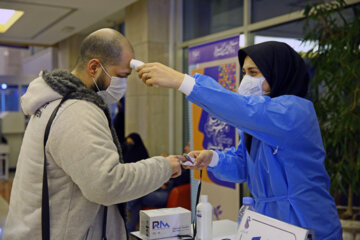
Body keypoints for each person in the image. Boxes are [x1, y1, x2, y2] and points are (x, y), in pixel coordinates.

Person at [137, 41, 342, 239]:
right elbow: (243, 166)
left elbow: (242, 110)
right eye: (245, 73)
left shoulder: (295, 111)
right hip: (269, 223)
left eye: (254, 73)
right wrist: (213, 159)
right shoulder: (259, 122)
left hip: (305, 222)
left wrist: (182, 81)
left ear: (278, 73)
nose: (246, 80)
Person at [5, 28, 182, 240]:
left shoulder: (56, 102)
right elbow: (107, 185)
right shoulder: (76, 112)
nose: (122, 85)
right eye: (121, 76)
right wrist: (164, 167)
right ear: (94, 67)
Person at [125, 138, 190, 232]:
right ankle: (130, 228)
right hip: (162, 189)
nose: (185, 148)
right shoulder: (182, 161)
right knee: (139, 192)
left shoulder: (190, 168)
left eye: (188, 145)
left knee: (139, 196)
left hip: (168, 193)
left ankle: (128, 212)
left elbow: (178, 180)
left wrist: (167, 179)